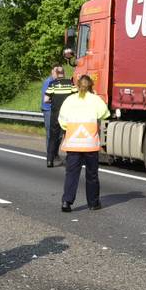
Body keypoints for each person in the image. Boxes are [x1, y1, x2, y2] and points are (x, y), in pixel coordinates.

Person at [57, 74, 108, 212]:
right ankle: (93, 203)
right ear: (91, 85)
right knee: (92, 175)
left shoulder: (69, 100)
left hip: (73, 143)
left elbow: (62, 121)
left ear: (77, 85)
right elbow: (105, 114)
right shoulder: (95, 100)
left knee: (71, 174)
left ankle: (67, 202)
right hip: (90, 144)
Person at [45, 73, 77, 167]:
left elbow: (45, 100)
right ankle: (69, 160)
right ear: (64, 74)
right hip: (68, 115)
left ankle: (50, 161)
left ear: (57, 75)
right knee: (68, 137)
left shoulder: (52, 84)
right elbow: (76, 96)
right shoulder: (70, 83)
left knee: (53, 138)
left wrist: (53, 100)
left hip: (56, 115)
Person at [40, 66, 64, 166]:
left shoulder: (61, 82)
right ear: (52, 72)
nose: (59, 73)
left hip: (58, 110)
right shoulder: (49, 82)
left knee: (59, 134)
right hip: (49, 110)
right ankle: (51, 155)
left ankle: (55, 153)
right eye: (57, 72)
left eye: (61, 72)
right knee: (51, 134)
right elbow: (46, 98)